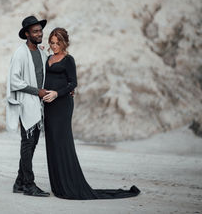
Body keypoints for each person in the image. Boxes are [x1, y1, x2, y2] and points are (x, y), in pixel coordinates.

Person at [42, 28, 140, 199]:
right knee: (51, 143)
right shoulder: (48, 58)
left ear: (65, 43)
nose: (55, 46)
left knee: (62, 142)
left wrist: (57, 93)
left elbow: (73, 83)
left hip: (62, 105)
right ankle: (58, 185)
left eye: (58, 43)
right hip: (48, 106)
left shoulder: (68, 60)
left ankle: (69, 184)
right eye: (52, 42)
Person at [6, 16, 50, 197]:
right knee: (27, 143)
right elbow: (15, 81)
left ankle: (19, 183)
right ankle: (29, 184)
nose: (39, 34)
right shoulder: (20, 53)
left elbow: (48, 74)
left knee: (31, 144)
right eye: (35, 31)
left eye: (40, 30)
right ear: (27, 34)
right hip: (27, 103)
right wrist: (37, 91)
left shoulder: (41, 53)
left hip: (38, 105)